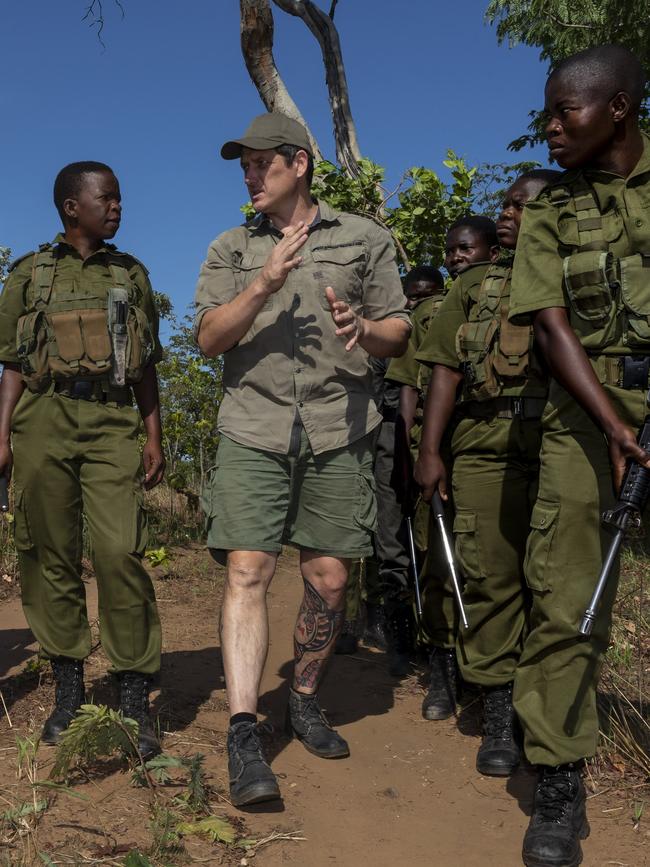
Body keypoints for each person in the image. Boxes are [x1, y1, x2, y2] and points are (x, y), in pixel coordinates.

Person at [194, 112, 410, 808]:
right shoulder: (232, 246)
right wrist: (261, 283)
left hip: (337, 428)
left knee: (329, 576)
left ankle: (306, 697)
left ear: (299, 164)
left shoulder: (363, 238)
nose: (250, 175)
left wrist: (364, 328)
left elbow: (397, 330)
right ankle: (242, 729)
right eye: (244, 166)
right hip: (253, 428)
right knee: (248, 570)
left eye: (261, 163)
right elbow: (207, 339)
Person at [505, 45, 650, 867]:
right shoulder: (553, 210)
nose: (551, 127)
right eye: (549, 112)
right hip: (583, 415)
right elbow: (553, 327)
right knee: (567, 599)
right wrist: (617, 429)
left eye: (568, 111)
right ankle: (559, 778)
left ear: (621, 107)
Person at [0, 162, 165, 757]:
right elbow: (12, 365)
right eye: (107, 198)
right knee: (50, 552)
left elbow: (146, 366)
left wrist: (154, 435)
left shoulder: (132, 274)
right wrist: (3, 439)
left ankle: (131, 691)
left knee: (120, 550)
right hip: (43, 419)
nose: (117, 206)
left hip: (113, 420)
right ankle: (69, 682)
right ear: (73, 207)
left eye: (119, 197)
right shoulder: (29, 275)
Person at [415, 172, 560, 757]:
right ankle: (497, 708)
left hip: (556, 439)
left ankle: (542, 709)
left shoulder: (569, 276)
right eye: (504, 202)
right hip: (481, 441)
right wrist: (429, 451)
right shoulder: (472, 286)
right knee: (491, 576)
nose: (506, 213)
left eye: (520, 205)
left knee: (550, 580)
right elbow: (445, 369)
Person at [388, 225, 500, 721]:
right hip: (437, 450)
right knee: (437, 556)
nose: (456, 258)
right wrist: (416, 450)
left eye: (466, 249)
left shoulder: (510, 292)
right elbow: (415, 382)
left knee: (491, 565)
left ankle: (490, 676)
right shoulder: (433, 311)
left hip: (491, 446)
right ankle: (442, 666)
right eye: (449, 249)